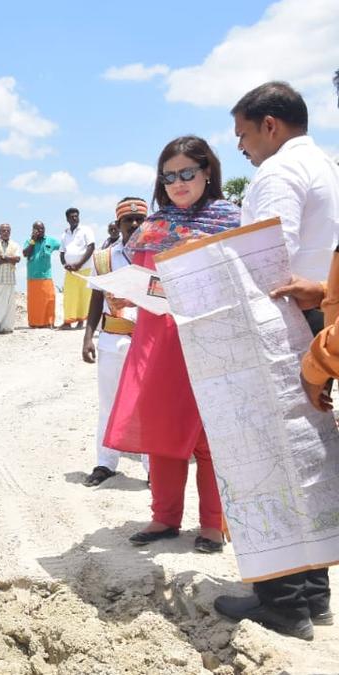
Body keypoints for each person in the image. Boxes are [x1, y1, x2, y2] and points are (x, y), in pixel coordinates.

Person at [213, 81, 339, 640]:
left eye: (243, 135)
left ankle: (283, 601)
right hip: (317, 315)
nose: (242, 148)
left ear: (270, 125)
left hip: (280, 322)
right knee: (309, 456)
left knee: (270, 460)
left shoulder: (279, 173)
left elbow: (265, 254)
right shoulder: (327, 166)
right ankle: (314, 595)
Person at [103, 135, 238, 556]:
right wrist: (127, 294)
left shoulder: (231, 221)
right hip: (159, 340)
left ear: (207, 172)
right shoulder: (153, 227)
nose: (178, 183)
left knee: (210, 433)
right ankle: (165, 517)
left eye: (187, 173)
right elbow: (146, 283)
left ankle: (213, 525)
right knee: (161, 426)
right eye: (169, 177)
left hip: (213, 336)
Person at [80, 198, 150, 487]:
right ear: (118, 223)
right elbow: (97, 298)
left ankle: (153, 468)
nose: (134, 224)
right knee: (109, 403)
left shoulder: (156, 255)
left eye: (139, 219)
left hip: (148, 343)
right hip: (113, 340)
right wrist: (88, 336)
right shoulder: (103, 259)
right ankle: (105, 463)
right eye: (128, 220)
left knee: (148, 406)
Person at [59, 207, 94, 329]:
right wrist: (65, 265)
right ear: (67, 219)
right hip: (70, 271)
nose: (75, 218)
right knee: (69, 296)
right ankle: (68, 322)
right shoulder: (65, 234)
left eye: (76, 216)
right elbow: (62, 252)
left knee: (84, 295)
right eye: (72, 216)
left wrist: (79, 264)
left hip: (85, 268)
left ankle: (81, 321)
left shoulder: (85, 230)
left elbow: (91, 247)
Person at [22, 221, 61, 328]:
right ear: (33, 230)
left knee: (50, 299)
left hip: (46, 276)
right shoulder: (29, 241)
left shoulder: (50, 241)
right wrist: (33, 241)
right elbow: (25, 253)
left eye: (42, 229)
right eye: (38, 229)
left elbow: (63, 247)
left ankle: (49, 322)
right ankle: (35, 323)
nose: (40, 231)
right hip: (32, 277)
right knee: (34, 302)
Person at [0, 223, 22, 334]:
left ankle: (6, 328)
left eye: (8, 230)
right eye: (3, 230)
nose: (6, 232)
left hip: (9, 278)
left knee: (9, 305)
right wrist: (9, 259)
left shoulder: (15, 245)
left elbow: (17, 259)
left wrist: (3, 257)